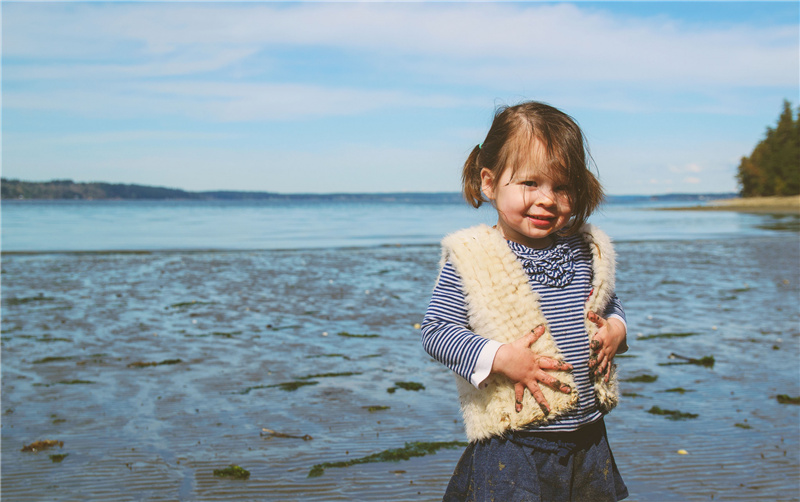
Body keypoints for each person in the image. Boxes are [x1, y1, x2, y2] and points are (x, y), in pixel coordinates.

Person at [421, 101, 629, 501]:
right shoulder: (473, 257)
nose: (548, 199)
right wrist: (500, 358)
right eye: (530, 183)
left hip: (588, 438)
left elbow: (607, 304)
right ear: (490, 182)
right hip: (513, 444)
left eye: (562, 186)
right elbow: (436, 332)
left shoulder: (584, 251)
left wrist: (617, 329)